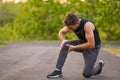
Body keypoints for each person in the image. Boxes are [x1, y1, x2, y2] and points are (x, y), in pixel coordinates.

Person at [47, 12, 104, 79]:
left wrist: (74, 47)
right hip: (82, 42)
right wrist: (63, 41)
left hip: (93, 47)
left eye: (71, 28)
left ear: (77, 23)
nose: (69, 29)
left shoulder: (87, 25)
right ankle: (58, 71)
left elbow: (91, 44)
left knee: (87, 74)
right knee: (65, 44)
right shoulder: (71, 24)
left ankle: (99, 66)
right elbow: (61, 32)